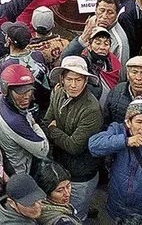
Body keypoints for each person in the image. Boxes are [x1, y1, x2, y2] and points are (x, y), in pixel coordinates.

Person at [43, 56, 101, 221]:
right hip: (62, 166)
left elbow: (74, 146)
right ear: (62, 79)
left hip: (81, 174)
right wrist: (52, 128)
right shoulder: (58, 92)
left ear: (85, 81)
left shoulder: (91, 108)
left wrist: (53, 130)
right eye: (69, 79)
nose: (74, 85)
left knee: (75, 215)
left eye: (79, 79)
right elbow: (46, 121)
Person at [0, 64, 49, 175]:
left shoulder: (0, 100)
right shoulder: (14, 121)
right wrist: (35, 125)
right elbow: (43, 150)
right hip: (19, 171)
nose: (26, 97)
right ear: (6, 90)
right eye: (20, 92)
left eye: (29, 90)